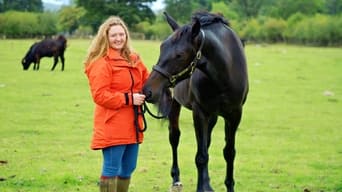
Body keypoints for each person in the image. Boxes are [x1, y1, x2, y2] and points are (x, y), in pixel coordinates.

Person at [84, 16, 149, 192]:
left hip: (133, 123)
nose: (119, 38)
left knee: (128, 168)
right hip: (112, 123)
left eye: (122, 34)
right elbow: (100, 95)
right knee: (111, 169)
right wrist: (129, 99)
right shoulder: (101, 62)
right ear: (105, 37)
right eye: (114, 35)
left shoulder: (134, 59)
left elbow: (147, 82)